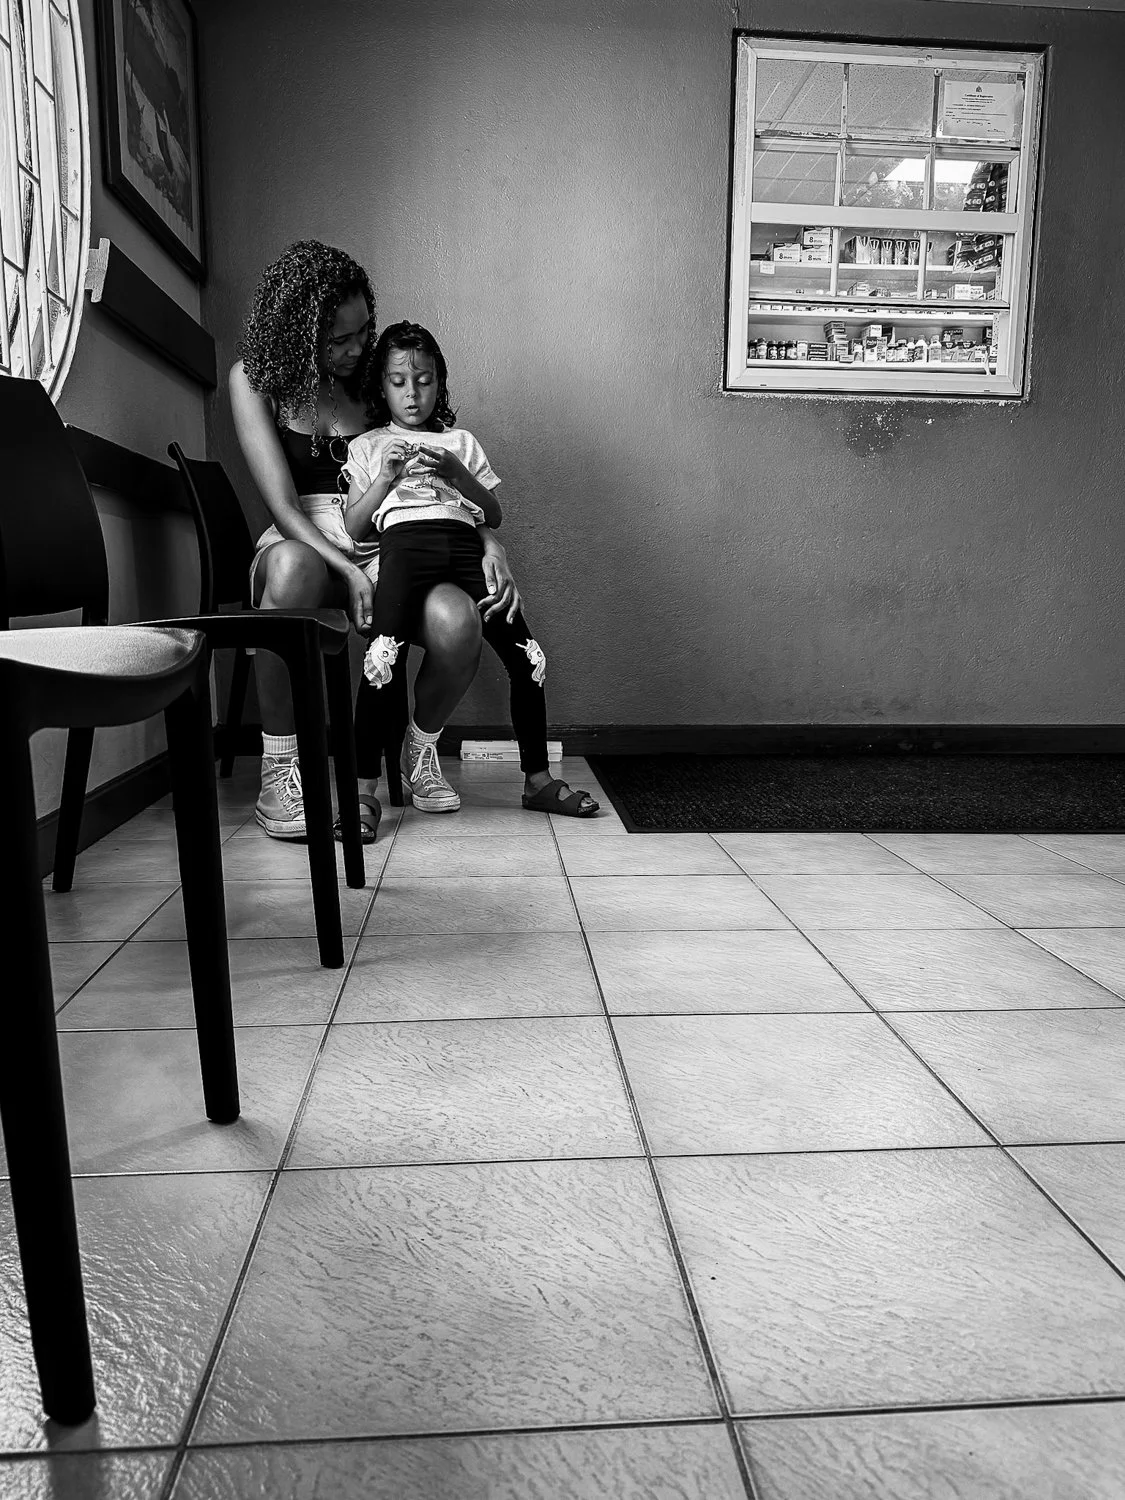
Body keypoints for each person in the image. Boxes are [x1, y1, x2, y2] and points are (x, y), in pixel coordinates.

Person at [230, 240, 521, 841]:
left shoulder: (375, 373)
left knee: (458, 620)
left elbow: (440, 470)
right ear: (298, 331)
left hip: (393, 533)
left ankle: (420, 750)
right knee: (294, 570)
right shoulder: (254, 379)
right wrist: (352, 570)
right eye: (338, 340)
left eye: (363, 331)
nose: (357, 348)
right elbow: (283, 507)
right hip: (303, 533)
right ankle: (280, 770)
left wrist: (489, 542)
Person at [343, 321, 598, 817]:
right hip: (404, 547)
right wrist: (385, 478)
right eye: (398, 383)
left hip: (463, 547)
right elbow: (356, 528)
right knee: (382, 660)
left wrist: (457, 474)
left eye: (425, 381)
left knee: (529, 658)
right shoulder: (369, 445)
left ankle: (537, 781)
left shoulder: (461, 441)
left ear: (440, 383)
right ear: (381, 387)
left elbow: (494, 515)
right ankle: (362, 790)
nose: (412, 394)